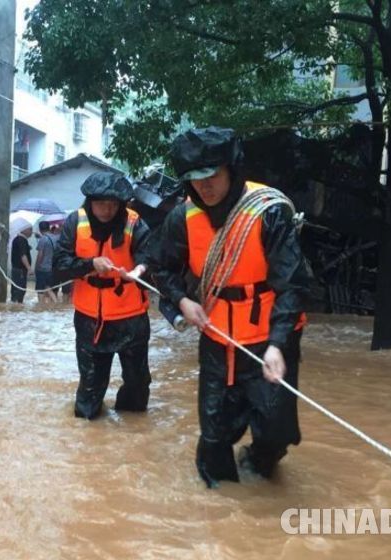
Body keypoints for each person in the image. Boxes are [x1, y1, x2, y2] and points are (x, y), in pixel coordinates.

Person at [153, 126, 311, 487]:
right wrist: (182, 301)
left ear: (231, 169)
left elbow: (293, 284)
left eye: (212, 176)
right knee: (214, 432)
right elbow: (162, 267)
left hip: (268, 339)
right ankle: (220, 507)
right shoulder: (183, 218)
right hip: (216, 336)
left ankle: (259, 468)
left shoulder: (268, 212)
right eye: (195, 179)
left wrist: (278, 344)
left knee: (275, 428)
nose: (204, 186)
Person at [53, 171, 153, 419]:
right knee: (90, 386)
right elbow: (60, 263)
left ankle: (131, 432)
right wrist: (90, 264)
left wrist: (138, 270)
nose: (107, 210)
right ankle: (88, 432)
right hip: (90, 320)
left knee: (137, 383)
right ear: (90, 202)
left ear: (121, 203)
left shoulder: (134, 222)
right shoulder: (75, 222)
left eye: (112, 204)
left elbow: (151, 255)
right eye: (101, 204)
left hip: (131, 318)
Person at [34, 221, 58, 302]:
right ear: (49, 228)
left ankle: (41, 306)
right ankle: (54, 304)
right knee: (49, 288)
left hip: (43, 268)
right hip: (53, 268)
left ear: (40, 229)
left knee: (40, 290)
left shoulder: (43, 239)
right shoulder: (56, 238)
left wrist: (36, 266)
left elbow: (40, 255)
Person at [10, 226, 33, 303]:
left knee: (16, 290)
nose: (31, 232)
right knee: (20, 290)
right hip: (20, 270)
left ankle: (15, 308)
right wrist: (29, 268)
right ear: (24, 230)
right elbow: (23, 255)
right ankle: (17, 308)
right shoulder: (21, 240)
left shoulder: (19, 239)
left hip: (17, 270)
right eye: (30, 230)